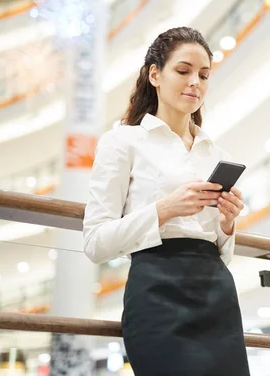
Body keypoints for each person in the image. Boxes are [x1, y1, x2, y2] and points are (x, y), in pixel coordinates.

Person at [83, 27, 250, 375]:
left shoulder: (215, 152)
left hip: (217, 293)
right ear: (155, 74)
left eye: (203, 75)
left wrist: (227, 223)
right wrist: (164, 210)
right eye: (183, 70)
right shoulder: (122, 141)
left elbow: (224, 253)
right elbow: (96, 243)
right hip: (156, 292)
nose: (195, 83)